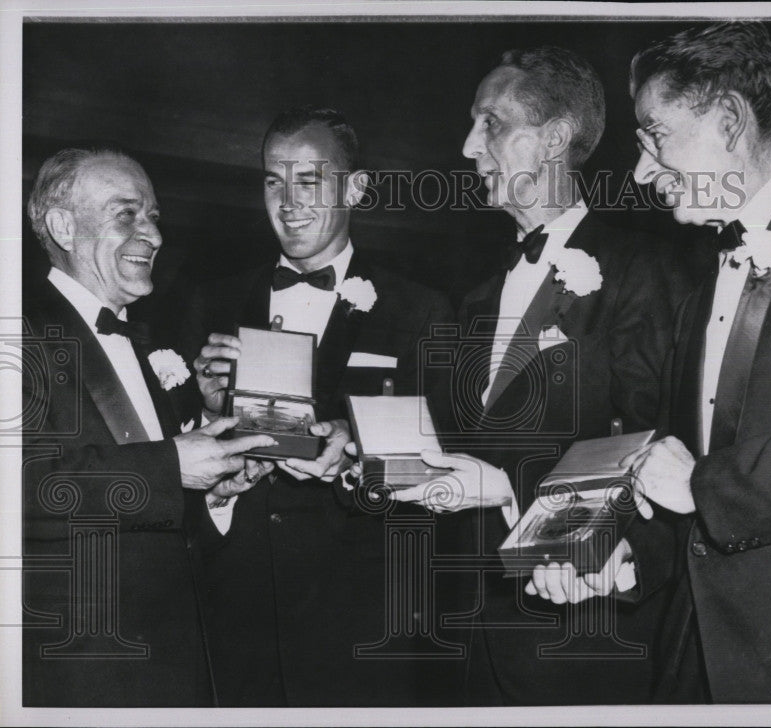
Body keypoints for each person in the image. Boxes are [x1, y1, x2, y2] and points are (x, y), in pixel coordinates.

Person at [530, 22, 771, 704]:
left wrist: (701, 484)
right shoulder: (700, 286)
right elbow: (685, 496)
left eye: (655, 135)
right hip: (692, 666)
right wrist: (615, 564)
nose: (642, 170)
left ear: (730, 119)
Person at [393, 46, 694, 704]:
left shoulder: (643, 272)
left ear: (555, 138)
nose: (469, 145)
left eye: (490, 123)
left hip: (578, 649)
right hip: (460, 654)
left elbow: (649, 453)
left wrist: (504, 489)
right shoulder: (470, 296)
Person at [177, 106, 456, 706]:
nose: (288, 201)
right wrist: (206, 412)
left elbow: (439, 468)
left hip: (361, 621)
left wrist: (352, 451)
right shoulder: (210, 302)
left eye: (310, 180)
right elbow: (174, 462)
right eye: (273, 181)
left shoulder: (420, 310)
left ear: (356, 187)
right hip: (238, 614)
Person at [21, 148, 276, 706]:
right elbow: (24, 490)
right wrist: (172, 466)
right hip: (81, 672)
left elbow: (159, 510)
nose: (153, 235)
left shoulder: (147, 342)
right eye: (126, 214)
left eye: (154, 216)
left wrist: (213, 495)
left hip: (177, 664)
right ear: (64, 227)